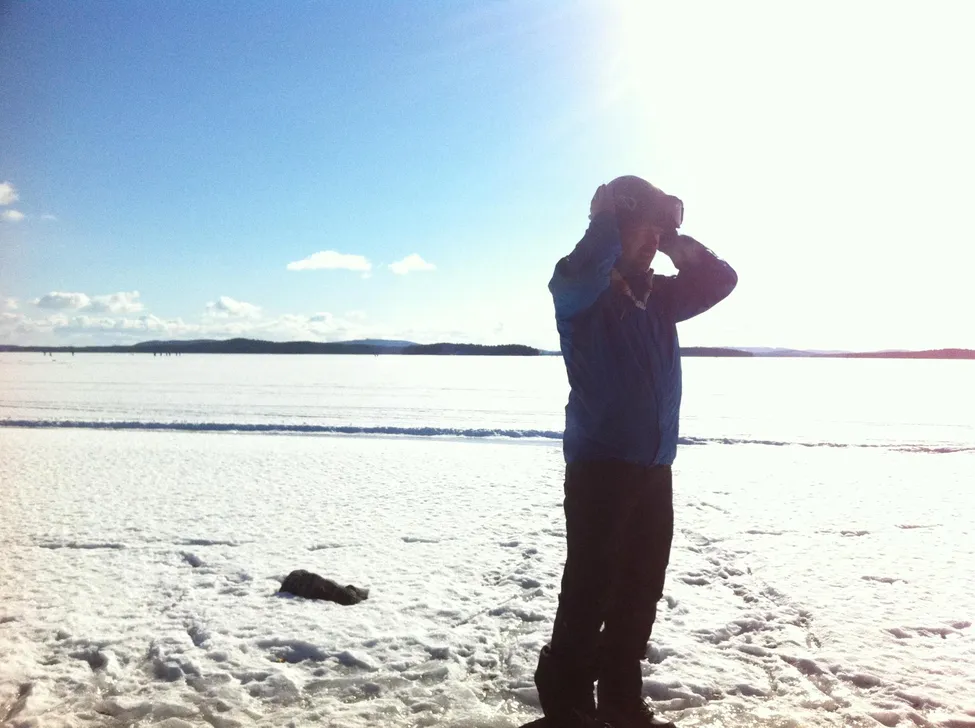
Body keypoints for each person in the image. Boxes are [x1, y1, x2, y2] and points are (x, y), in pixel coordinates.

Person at [534, 176, 738, 728]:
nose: (651, 241)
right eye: (643, 230)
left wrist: (673, 239)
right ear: (615, 227)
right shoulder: (583, 294)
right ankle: (568, 702)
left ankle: (621, 698)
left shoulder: (660, 299)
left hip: (654, 467)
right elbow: (579, 273)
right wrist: (604, 220)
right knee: (591, 590)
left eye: (657, 233)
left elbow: (721, 280)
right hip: (600, 465)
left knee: (640, 590)